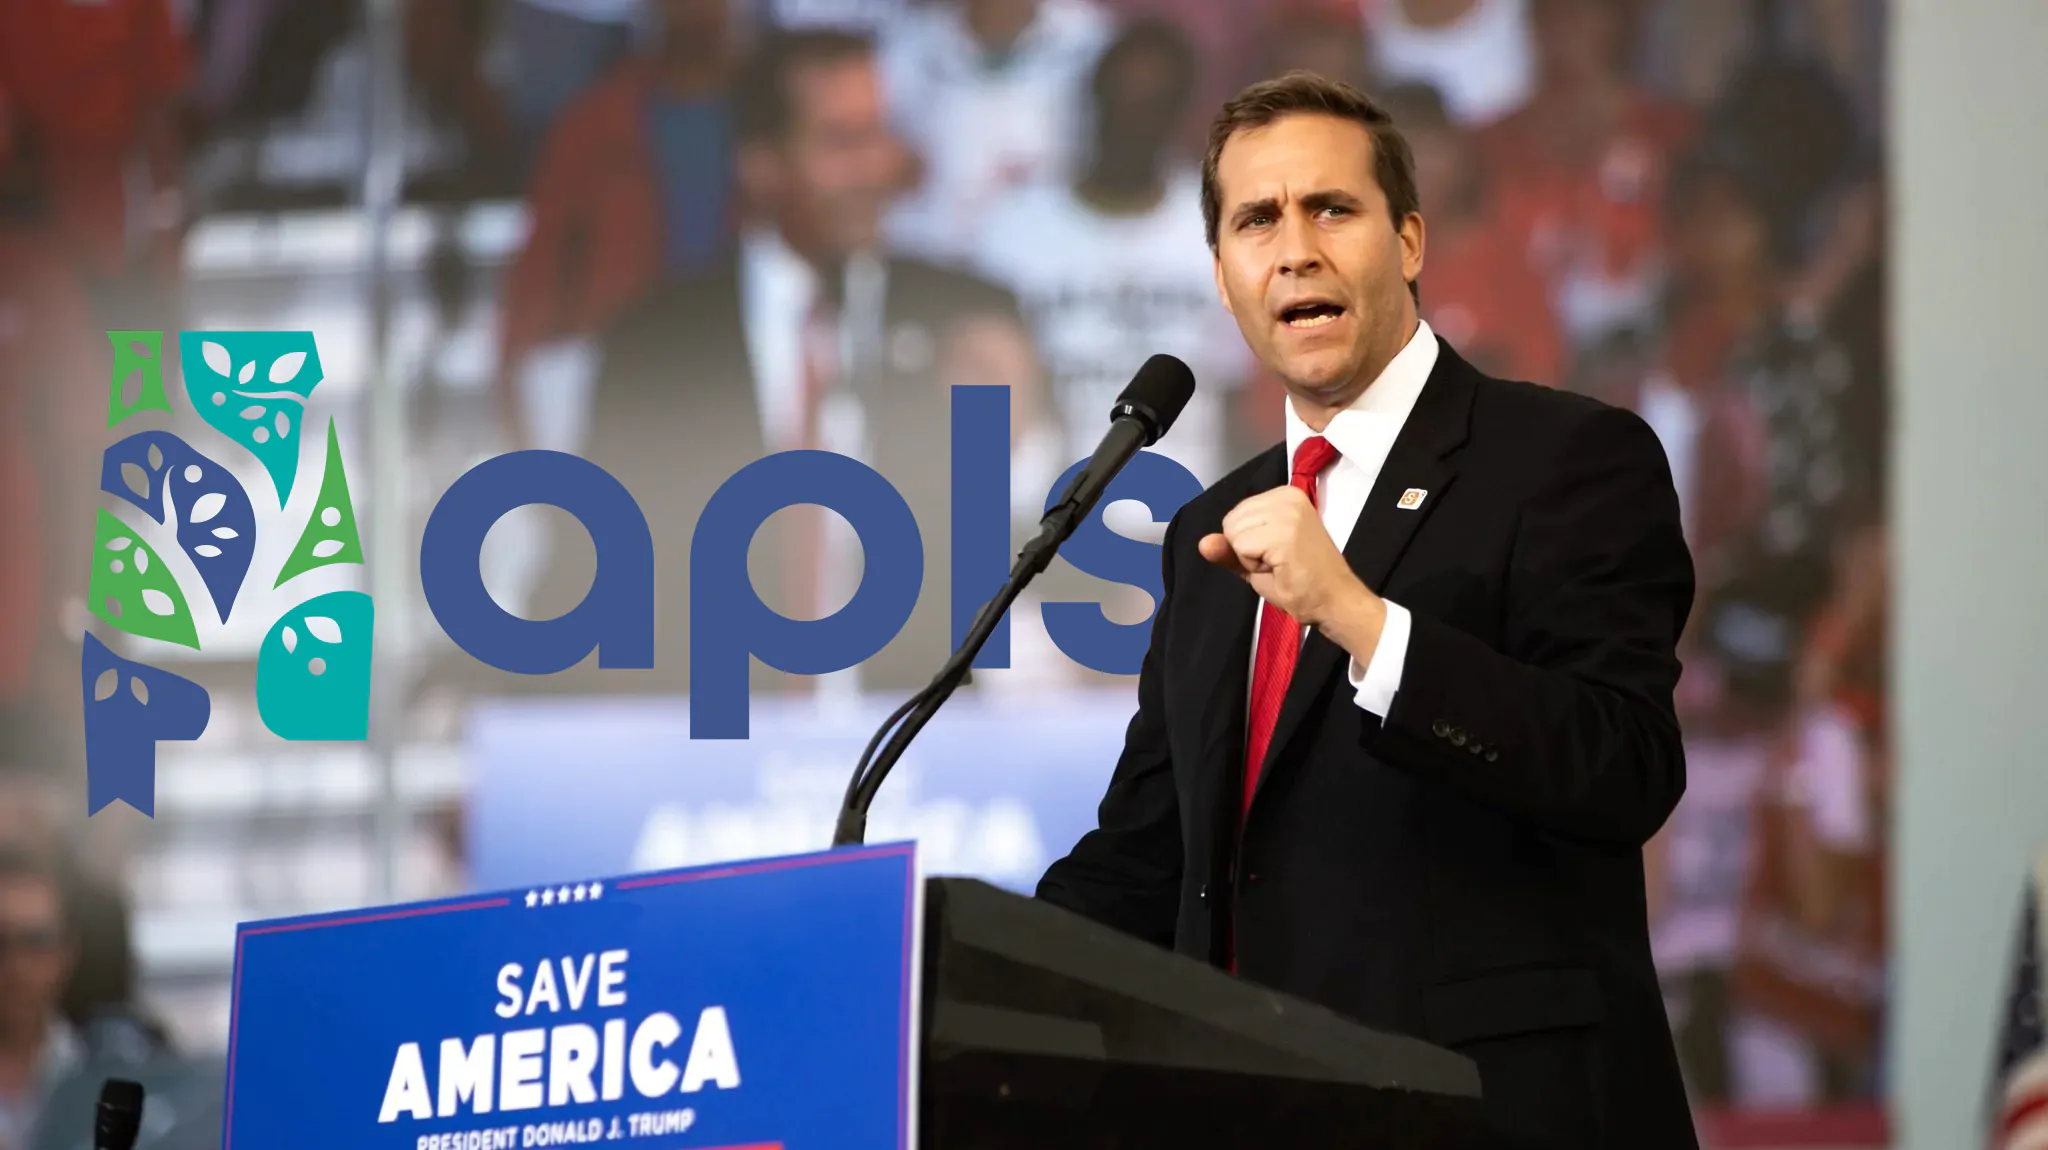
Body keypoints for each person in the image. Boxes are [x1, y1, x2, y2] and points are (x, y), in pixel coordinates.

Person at [1036, 72, 1697, 1147]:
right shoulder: (1208, 533)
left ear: (1409, 241)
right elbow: (1149, 857)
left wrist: (1359, 618)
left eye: (1331, 209)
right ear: (1224, 278)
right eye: (1257, 220)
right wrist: (937, 972)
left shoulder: (1566, 458)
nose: (1294, 249)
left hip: (1491, 1117)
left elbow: (1623, 766)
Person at [525, 29, 1041, 700]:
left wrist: (1012, 441)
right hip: (720, 736)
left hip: (923, 738)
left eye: (879, 135)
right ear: (762, 164)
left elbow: (1045, 544)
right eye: (841, 142)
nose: (875, 168)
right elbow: (591, 574)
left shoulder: (967, 316)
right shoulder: (659, 344)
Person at [0, 848, 80, 1150]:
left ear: (66, 952)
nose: (17, 967)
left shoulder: (101, 1069)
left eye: (37, 941)